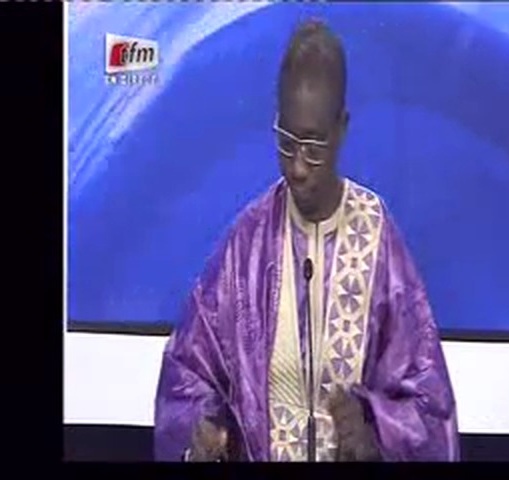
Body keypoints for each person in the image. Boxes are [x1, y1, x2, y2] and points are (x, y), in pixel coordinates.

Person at [154, 18, 460, 462]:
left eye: (314, 146)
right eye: (287, 142)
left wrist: (375, 431)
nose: (297, 167)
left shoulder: (375, 234)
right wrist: (201, 429)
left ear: (342, 128)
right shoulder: (249, 242)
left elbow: (428, 404)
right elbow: (188, 371)